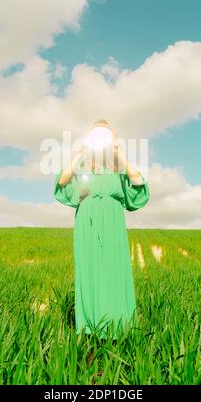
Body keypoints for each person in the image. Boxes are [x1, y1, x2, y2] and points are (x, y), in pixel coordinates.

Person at [53, 120, 150, 342]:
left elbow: (137, 183)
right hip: (86, 224)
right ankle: (89, 333)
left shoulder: (118, 170)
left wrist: (119, 154)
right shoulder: (83, 171)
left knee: (114, 273)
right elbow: (62, 181)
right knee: (89, 274)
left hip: (112, 223)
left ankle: (118, 330)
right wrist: (79, 152)